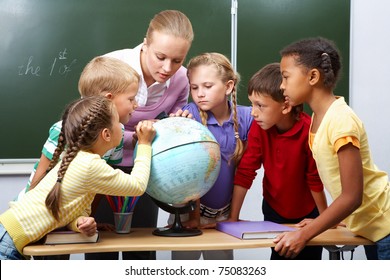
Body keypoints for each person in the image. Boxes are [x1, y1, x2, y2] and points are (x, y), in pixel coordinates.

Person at [16, 56, 141, 260]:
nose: (136, 105)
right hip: (37, 215)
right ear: (109, 99)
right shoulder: (64, 129)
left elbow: (99, 185)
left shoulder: (116, 134)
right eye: (131, 99)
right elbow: (40, 177)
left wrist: (86, 217)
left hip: (66, 217)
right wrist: (36, 219)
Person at [276, 37, 390, 260]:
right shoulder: (320, 118)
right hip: (371, 228)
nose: (282, 85)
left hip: (384, 225)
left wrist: (305, 235)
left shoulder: (341, 120)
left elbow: (352, 197)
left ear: (313, 77)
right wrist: (327, 219)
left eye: (286, 77)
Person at [0, 96, 156, 260]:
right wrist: (145, 144)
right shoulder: (90, 165)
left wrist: (78, 223)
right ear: (106, 134)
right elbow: (137, 186)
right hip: (8, 241)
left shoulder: (78, 159)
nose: (122, 127)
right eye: (118, 122)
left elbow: (62, 211)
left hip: (9, 235)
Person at [102, 9, 194, 260]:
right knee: (101, 249)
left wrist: (177, 124)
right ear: (145, 44)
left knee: (141, 247)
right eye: (161, 57)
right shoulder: (109, 67)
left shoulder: (182, 78)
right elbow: (89, 126)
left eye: (177, 60)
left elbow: (174, 118)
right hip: (102, 168)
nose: (168, 68)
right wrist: (139, 136)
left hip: (146, 169)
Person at [229, 63, 327, 260]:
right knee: (280, 260)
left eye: (260, 105)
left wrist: (324, 220)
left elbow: (314, 179)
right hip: (274, 209)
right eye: (252, 104)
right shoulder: (259, 128)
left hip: (308, 213)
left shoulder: (309, 130)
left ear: (286, 106)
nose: (253, 112)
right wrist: (232, 219)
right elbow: (245, 171)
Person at [169, 52, 253, 260]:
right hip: (189, 213)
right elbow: (191, 172)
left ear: (228, 86)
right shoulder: (189, 116)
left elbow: (246, 170)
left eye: (207, 86)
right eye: (195, 87)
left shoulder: (246, 118)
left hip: (223, 216)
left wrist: (233, 217)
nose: (200, 94)